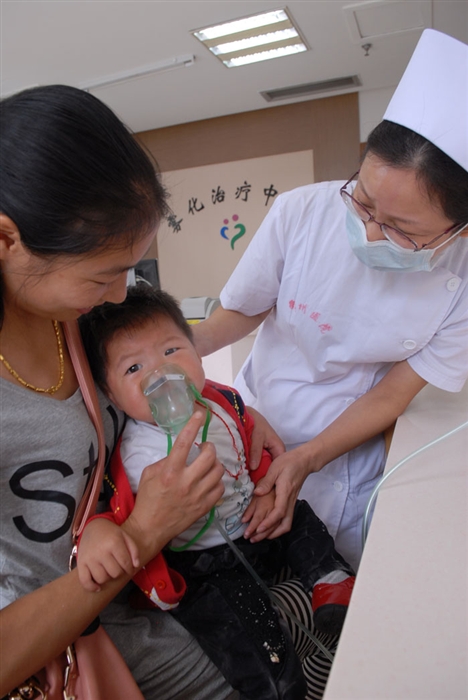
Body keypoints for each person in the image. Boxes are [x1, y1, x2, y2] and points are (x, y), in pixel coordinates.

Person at [0, 83, 244, 700]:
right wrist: (142, 533)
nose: (118, 294)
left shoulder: (75, 322)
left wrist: (233, 409)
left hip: (144, 613)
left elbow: (152, 382)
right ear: (6, 240)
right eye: (102, 276)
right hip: (59, 654)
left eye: (128, 271)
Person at [192, 29, 468, 572]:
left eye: (402, 229)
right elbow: (245, 308)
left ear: (458, 230)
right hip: (257, 423)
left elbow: (392, 395)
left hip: (346, 454)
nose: (369, 231)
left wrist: (309, 458)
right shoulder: (301, 212)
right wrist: (178, 347)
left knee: (334, 580)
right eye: (362, 200)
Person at [77, 283, 356, 700]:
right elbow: (117, 510)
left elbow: (251, 451)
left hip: (254, 527)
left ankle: (331, 581)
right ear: (109, 394)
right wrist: (97, 531)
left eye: (172, 351)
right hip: (205, 566)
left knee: (298, 513)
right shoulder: (135, 453)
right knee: (251, 634)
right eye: (134, 368)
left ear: (196, 350)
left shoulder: (223, 405)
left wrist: (265, 492)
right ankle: (279, 687)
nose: (161, 373)